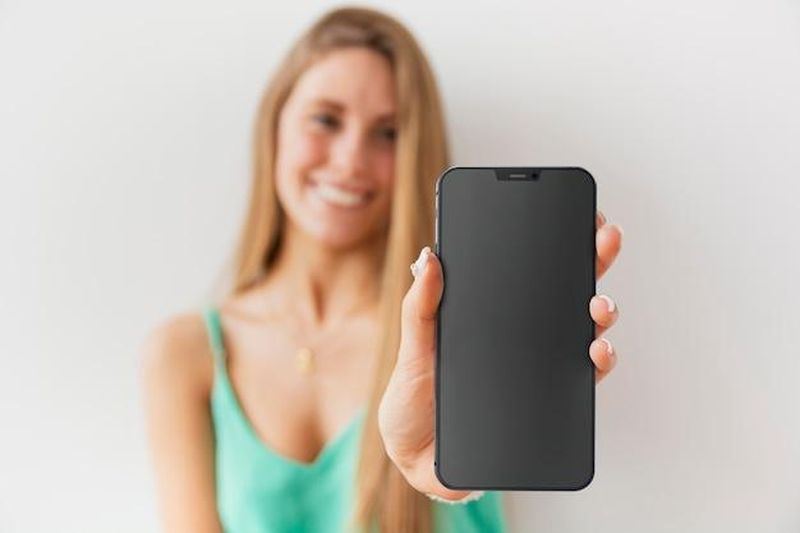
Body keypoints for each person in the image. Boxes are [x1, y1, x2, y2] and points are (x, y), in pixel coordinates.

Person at [141, 6, 623, 533]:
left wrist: (461, 472)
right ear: (274, 124)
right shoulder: (186, 353)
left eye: (388, 134)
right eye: (326, 119)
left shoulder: (451, 333)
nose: (350, 160)